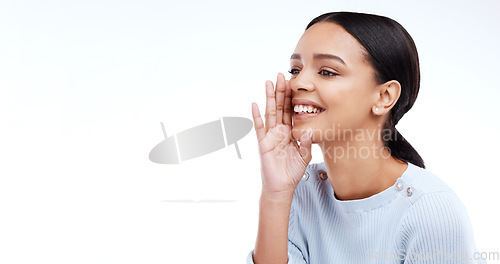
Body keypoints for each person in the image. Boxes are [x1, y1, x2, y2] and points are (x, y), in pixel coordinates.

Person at [248, 11, 485, 264]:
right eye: (295, 69)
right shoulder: (300, 194)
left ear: (384, 97)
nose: (298, 83)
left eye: (327, 72)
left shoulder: (430, 211)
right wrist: (276, 194)